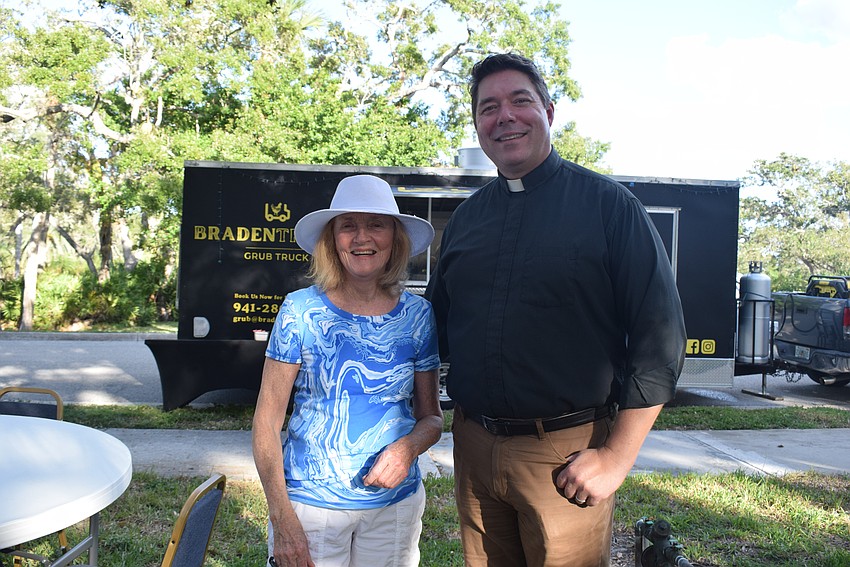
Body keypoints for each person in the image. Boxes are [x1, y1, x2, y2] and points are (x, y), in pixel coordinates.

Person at [425, 53, 687, 566]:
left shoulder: (610, 207)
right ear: (477, 124)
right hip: (474, 448)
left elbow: (661, 340)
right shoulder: (466, 222)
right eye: (488, 107)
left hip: (565, 455)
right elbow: (432, 331)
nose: (505, 116)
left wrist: (615, 457)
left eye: (520, 101)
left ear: (548, 110)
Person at [253, 174, 443, 567]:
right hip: (311, 510)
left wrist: (407, 449)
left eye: (376, 224)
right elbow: (266, 424)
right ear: (331, 239)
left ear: (395, 237)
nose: (362, 238)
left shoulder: (418, 315)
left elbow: (432, 419)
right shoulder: (300, 312)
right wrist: (282, 519)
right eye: (348, 226)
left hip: (394, 508)